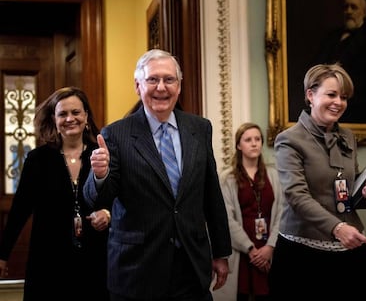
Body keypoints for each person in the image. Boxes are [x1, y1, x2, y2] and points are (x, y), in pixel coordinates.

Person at [83, 48, 232, 301]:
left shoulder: (200, 128)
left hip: (191, 266)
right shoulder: (116, 134)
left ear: (179, 86)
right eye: (152, 79)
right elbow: (97, 201)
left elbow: (211, 193)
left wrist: (221, 252)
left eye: (169, 79)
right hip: (137, 271)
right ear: (138, 86)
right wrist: (100, 174)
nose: (161, 87)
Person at [268, 63, 366, 300]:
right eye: (331, 94)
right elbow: (297, 197)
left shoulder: (347, 136)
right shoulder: (289, 140)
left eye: (343, 97)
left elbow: (347, 190)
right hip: (303, 254)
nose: (338, 102)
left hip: (349, 246)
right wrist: (337, 228)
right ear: (310, 95)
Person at [0, 86, 111, 300]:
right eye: (63, 114)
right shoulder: (37, 159)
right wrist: (3, 255)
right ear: (54, 119)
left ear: (86, 116)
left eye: (76, 112)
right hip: (48, 262)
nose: (70, 118)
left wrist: (108, 214)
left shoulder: (102, 156)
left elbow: (121, 201)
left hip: (95, 261)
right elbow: (19, 210)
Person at [212, 123, 283, 301]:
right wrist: (250, 249)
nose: (254, 144)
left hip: (269, 249)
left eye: (257, 139)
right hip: (241, 250)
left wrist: (270, 247)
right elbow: (225, 218)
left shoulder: (274, 175)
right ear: (238, 145)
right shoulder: (227, 178)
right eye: (248, 140)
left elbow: (284, 211)